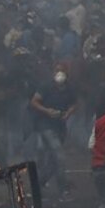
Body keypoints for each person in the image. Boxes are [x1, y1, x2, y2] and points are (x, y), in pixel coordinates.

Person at [29, 65, 77, 195]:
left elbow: (74, 104)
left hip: (60, 125)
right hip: (45, 124)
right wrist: (47, 111)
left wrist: (68, 113)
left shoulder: (70, 88)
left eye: (63, 71)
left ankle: (39, 183)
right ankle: (63, 187)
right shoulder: (46, 86)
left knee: (53, 158)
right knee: (59, 154)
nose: (60, 74)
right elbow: (34, 101)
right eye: (57, 71)